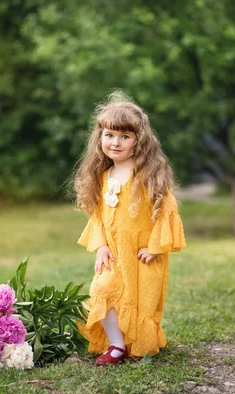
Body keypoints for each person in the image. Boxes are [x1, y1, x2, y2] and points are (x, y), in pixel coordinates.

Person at [71, 90, 186, 365]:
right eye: (109, 135)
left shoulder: (149, 175)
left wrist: (155, 247)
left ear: (139, 141)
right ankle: (117, 345)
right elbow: (97, 216)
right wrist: (100, 246)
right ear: (100, 138)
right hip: (114, 251)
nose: (115, 142)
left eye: (125, 136)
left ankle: (140, 340)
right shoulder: (103, 176)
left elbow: (166, 210)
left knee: (141, 300)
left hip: (142, 253)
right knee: (102, 289)